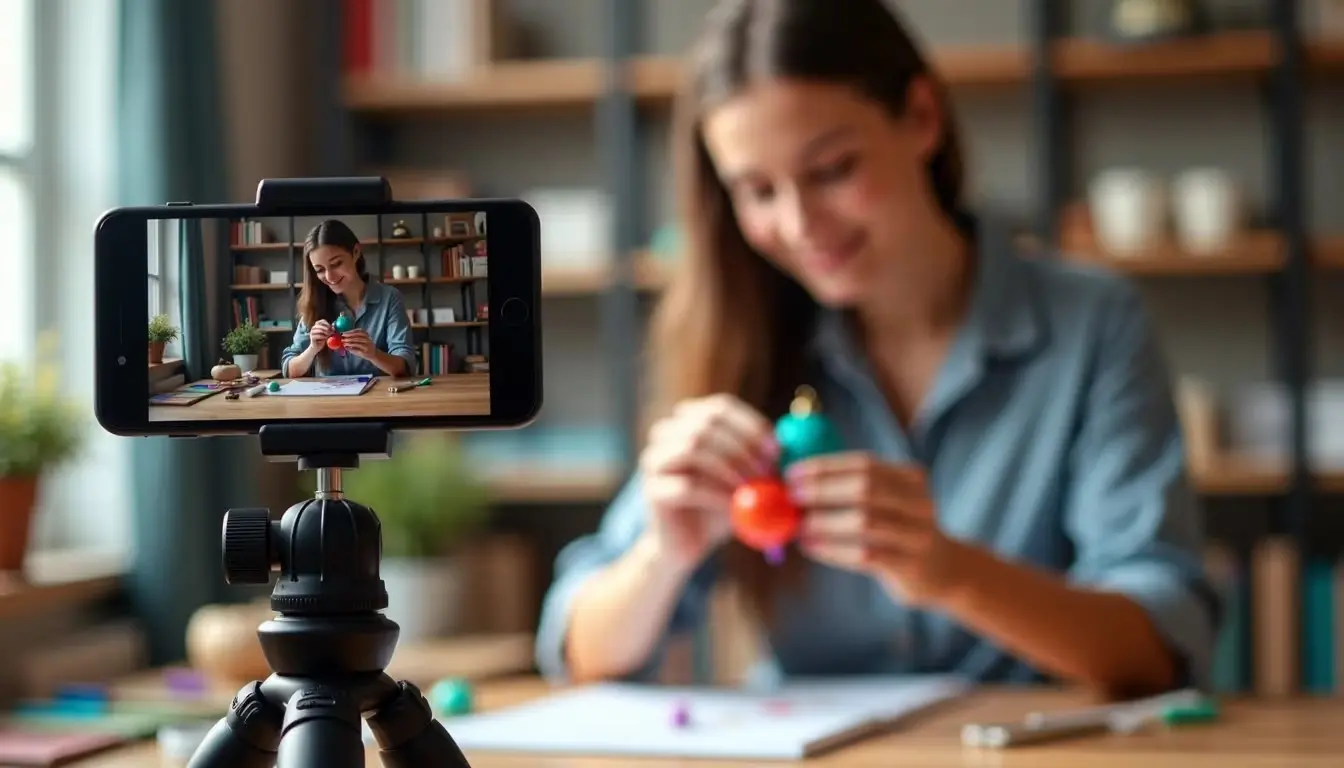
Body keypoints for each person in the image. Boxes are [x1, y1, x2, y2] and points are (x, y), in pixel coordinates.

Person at [535, 0, 1218, 700]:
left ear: (921, 117)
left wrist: (950, 572)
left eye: (832, 169)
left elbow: (1161, 646)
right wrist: (663, 555)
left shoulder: (1091, 324)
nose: (800, 225)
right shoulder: (744, 343)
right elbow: (578, 649)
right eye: (758, 191)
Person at [280, 219, 419, 378]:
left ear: (355, 253)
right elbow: (289, 370)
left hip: (379, 399)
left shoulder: (389, 298)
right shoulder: (315, 302)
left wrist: (373, 354)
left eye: (336, 264)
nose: (329, 277)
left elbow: (406, 367)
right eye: (319, 270)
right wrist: (312, 349)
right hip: (328, 400)